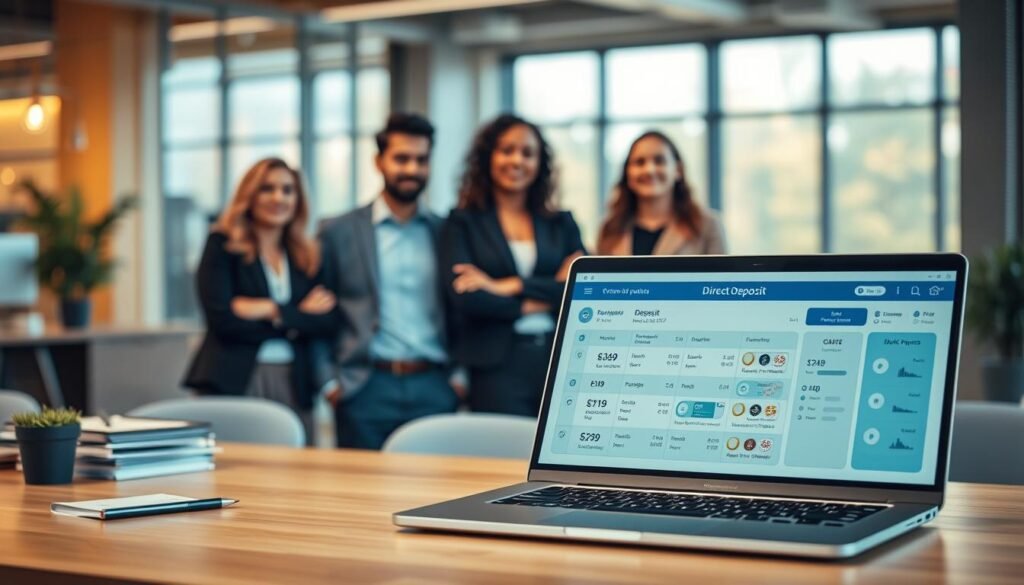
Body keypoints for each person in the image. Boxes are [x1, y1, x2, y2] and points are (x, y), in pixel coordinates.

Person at [314, 113, 460, 450]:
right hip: (363, 386)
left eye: (421, 160)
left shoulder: (447, 232)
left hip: (434, 386)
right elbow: (317, 314)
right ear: (378, 162)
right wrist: (329, 384)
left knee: (437, 497)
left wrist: (458, 379)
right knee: (361, 498)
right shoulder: (338, 232)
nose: (411, 169)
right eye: (401, 158)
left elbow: (462, 311)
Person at [183, 157, 339, 445]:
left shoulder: (308, 254)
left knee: (299, 475)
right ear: (250, 195)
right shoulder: (222, 245)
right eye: (267, 189)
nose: (278, 197)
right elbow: (223, 321)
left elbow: (328, 320)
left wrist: (270, 309)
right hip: (234, 377)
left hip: (295, 381)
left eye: (287, 190)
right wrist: (296, 316)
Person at [441, 114, 585, 417]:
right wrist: (543, 299)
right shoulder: (462, 222)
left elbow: (582, 290)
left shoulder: (561, 223)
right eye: (507, 150)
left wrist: (506, 285)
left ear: (539, 164)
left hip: (559, 360)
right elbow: (468, 299)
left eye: (527, 153)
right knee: (502, 457)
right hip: (495, 366)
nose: (517, 161)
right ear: (488, 157)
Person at [597, 131, 726, 256]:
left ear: (678, 170)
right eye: (639, 162)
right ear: (627, 173)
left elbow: (722, 276)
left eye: (659, 161)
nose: (649, 170)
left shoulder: (707, 226)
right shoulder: (610, 229)